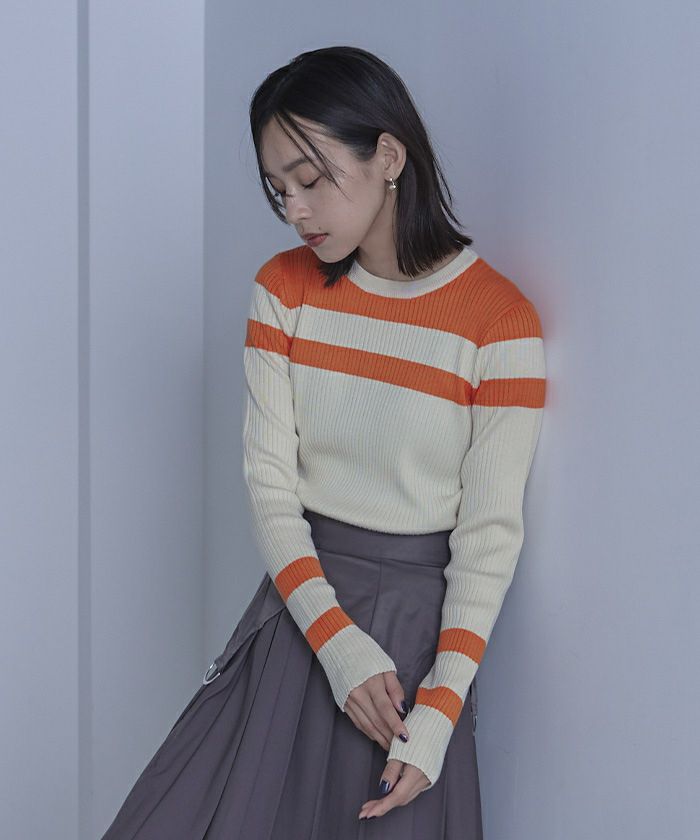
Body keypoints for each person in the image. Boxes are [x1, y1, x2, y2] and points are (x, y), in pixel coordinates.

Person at [101, 45, 546, 839]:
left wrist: (442, 707)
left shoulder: (498, 322)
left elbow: (489, 537)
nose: (296, 211)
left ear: (389, 156)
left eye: (310, 180)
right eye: (280, 191)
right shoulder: (284, 291)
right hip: (301, 618)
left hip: (414, 646)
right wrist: (336, 645)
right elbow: (270, 487)